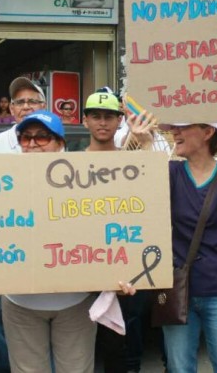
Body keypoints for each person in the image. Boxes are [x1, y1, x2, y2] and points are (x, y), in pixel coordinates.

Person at [0, 110, 135, 372]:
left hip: (75, 302)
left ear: (60, 144)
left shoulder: (85, 179)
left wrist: (125, 273)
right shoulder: (2, 181)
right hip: (20, 304)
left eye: (42, 138)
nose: (32, 144)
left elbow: (111, 229)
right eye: (25, 138)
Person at [157, 116, 217, 373]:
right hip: (180, 290)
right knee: (179, 368)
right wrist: (142, 141)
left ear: (207, 132)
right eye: (173, 129)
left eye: (182, 127)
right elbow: (143, 192)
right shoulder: (173, 172)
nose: (175, 133)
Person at [80, 91, 154, 373]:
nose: (102, 123)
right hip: (83, 268)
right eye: (96, 116)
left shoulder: (134, 163)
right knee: (84, 349)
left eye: (109, 116)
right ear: (85, 120)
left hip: (128, 269)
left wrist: (145, 142)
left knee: (125, 347)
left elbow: (153, 201)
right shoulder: (68, 165)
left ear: (119, 120)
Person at [0, 76, 47, 372]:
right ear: (10, 107)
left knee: (40, 343)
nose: (26, 106)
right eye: (20, 101)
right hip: (6, 248)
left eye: (33, 100)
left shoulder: (54, 142)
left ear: (44, 105)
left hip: (45, 250)